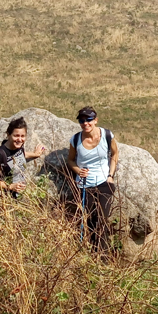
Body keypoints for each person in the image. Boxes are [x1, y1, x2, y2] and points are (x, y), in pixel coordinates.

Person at [67, 106, 119, 252]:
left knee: (102, 220)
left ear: (95, 120)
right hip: (84, 185)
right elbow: (70, 160)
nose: (85, 123)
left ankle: (102, 256)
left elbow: (114, 155)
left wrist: (110, 176)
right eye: (82, 120)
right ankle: (91, 254)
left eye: (89, 119)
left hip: (104, 183)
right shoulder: (76, 139)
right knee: (89, 221)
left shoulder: (107, 135)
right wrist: (78, 170)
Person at [0, 117, 46, 199]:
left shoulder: (19, 147)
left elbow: (19, 155)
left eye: (23, 136)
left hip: (18, 195)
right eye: (16, 136)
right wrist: (10, 186)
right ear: (8, 135)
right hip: (3, 200)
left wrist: (35, 154)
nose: (20, 139)